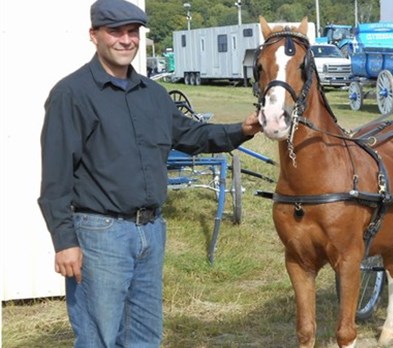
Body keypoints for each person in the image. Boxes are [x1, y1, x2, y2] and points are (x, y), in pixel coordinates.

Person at [37, 0, 261, 346]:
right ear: (93, 35)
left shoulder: (153, 95)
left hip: (151, 232)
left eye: (133, 32)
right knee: (99, 337)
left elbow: (193, 136)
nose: (126, 40)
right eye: (115, 32)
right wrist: (65, 242)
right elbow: (55, 180)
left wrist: (242, 130)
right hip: (100, 235)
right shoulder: (72, 95)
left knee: (144, 336)